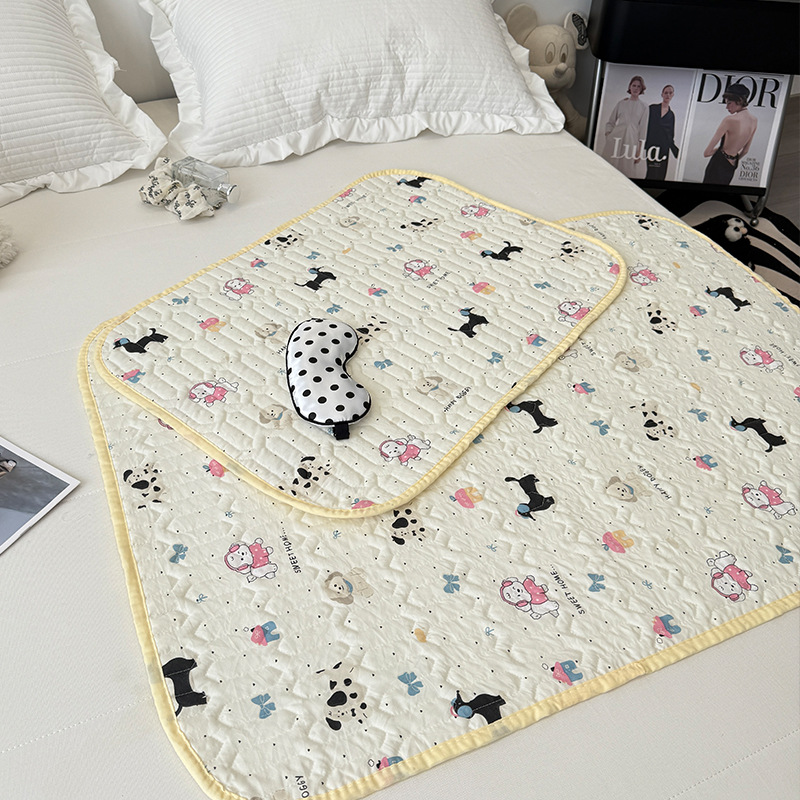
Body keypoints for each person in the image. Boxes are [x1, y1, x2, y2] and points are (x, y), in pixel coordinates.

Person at [702, 83, 758, 185]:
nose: (726, 107)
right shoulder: (754, 120)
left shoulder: (729, 120)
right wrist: (732, 159)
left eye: (729, 103)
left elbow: (707, 153)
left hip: (718, 164)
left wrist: (722, 152)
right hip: (732, 165)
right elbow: (745, 151)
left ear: (739, 101)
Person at [602, 75, 648, 179]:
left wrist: (639, 152)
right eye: (634, 85)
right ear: (629, 87)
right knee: (609, 169)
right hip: (615, 140)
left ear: (641, 89)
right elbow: (610, 122)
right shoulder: (621, 103)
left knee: (627, 171)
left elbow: (643, 131)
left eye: (639, 86)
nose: (636, 88)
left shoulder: (644, 107)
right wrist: (608, 136)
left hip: (631, 142)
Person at [645, 85, 679, 180]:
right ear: (662, 94)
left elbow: (671, 135)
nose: (668, 95)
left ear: (673, 95)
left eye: (670, 93)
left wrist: (676, 151)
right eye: (666, 93)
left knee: (660, 175)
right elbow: (643, 122)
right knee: (651, 172)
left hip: (664, 148)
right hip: (652, 146)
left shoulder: (671, 115)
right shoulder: (652, 108)